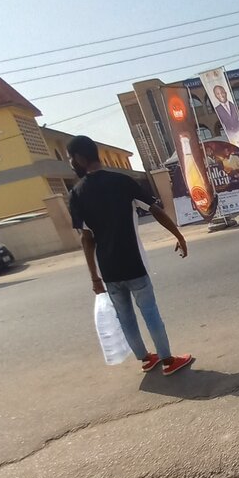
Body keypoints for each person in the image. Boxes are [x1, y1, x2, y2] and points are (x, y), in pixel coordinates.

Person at [67, 135, 193, 377]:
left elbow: (87, 239)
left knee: (125, 317)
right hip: (134, 264)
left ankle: (146, 359)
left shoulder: (77, 194)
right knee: (150, 312)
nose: (71, 163)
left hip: (108, 271)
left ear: (81, 158)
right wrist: (179, 236)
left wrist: (95, 278)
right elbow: (155, 209)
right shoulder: (122, 182)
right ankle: (168, 361)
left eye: (71, 158)